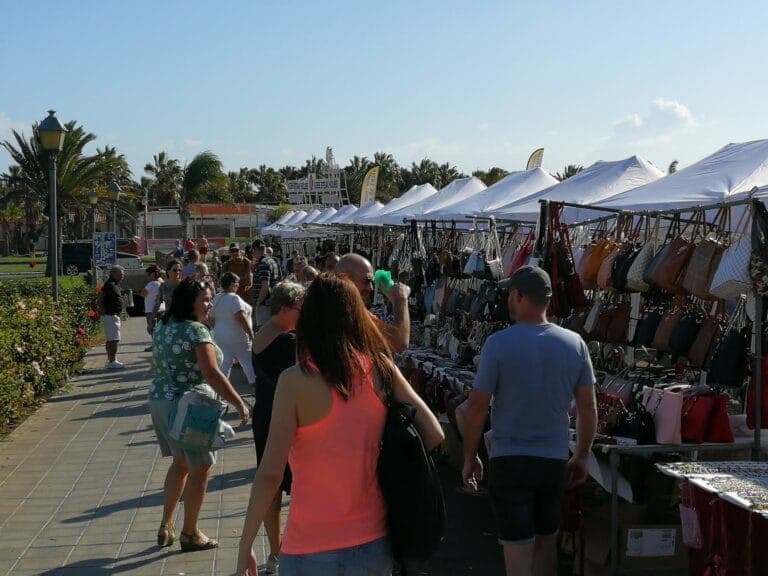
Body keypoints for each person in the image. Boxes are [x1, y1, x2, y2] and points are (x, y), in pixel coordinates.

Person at [236, 274, 443, 576]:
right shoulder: (382, 369)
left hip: (309, 547)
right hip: (374, 543)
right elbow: (435, 433)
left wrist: (245, 546)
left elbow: (270, 474)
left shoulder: (294, 382)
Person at [461, 266, 597, 576]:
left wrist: (471, 456)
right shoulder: (575, 344)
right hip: (551, 460)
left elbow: (477, 406)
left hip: (510, 458)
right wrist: (582, 455)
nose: (508, 297)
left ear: (520, 296)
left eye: (511, 293)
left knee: (517, 546)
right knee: (546, 542)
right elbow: (587, 408)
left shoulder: (499, 344)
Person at [149, 278, 250, 552]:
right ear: (188, 301)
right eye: (205, 300)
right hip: (190, 405)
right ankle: (190, 533)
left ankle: (166, 524)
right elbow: (212, 372)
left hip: (161, 399)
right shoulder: (196, 331)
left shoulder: (164, 325)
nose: (209, 306)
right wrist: (240, 402)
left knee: (180, 464)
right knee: (201, 468)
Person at [250, 281, 306, 574]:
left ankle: (275, 552)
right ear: (285, 308)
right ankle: (296, 546)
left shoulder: (263, 333)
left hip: (264, 416)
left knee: (270, 485)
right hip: (285, 419)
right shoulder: (287, 341)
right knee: (297, 484)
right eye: (301, 308)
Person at [335, 253, 411, 353]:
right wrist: (400, 300)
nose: (371, 288)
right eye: (366, 281)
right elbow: (399, 342)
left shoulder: (339, 306)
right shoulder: (348, 312)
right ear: (346, 279)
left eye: (372, 282)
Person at [208, 272, 256, 387]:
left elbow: (210, 317)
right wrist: (249, 332)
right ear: (232, 285)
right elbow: (239, 316)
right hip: (238, 336)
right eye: (237, 283)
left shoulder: (217, 298)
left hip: (220, 336)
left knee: (224, 364)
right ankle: (255, 384)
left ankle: (220, 389)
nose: (238, 286)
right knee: (248, 362)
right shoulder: (234, 298)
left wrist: (216, 329)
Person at [98, 265, 126, 369]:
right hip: (110, 315)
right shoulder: (110, 284)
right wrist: (102, 309)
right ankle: (112, 361)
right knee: (114, 339)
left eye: (123, 274)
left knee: (111, 338)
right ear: (114, 273)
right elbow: (100, 295)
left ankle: (110, 359)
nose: (122, 276)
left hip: (112, 315)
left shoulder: (113, 284)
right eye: (120, 274)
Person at [251, 239, 280, 328]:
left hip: (264, 303)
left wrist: (257, 303)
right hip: (272, 300)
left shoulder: (263, 263)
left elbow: (265, 286)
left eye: (253, 251)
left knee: (264, 329)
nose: (252, 253)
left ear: (255, 250)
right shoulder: (272, 261)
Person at [150, 259, 183, 335]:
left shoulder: (184, 285)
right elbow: (157, 304)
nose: (177, 272)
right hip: (169, 319)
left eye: (180, 270)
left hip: (183, 319)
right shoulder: (163, 286)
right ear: (168, 271)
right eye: (175, 270)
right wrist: (151, 322)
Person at [141, 265, 164, 353]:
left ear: (153, 274)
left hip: (151, 309)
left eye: (148, 274)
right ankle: (160, 344)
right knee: (160, 328)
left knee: (152, 328)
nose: (148, 276)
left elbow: (143, 294)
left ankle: (155, 345)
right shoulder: (162, 282)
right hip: (162, 308)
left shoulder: (152, 283)